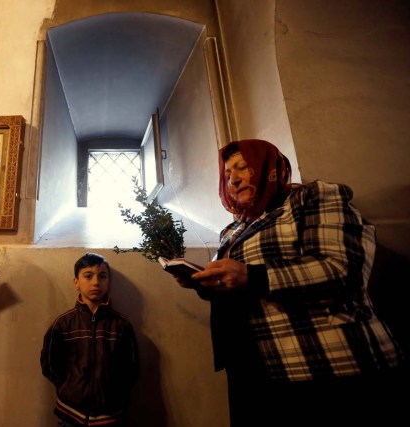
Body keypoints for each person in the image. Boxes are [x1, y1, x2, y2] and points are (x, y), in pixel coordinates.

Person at [174, 139, 406, 426]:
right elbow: (238, 287)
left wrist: (252, 276)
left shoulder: (311, 198)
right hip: (251, 371)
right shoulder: (232, 229)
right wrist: (203, 283)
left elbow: (342, 268)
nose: (232, 179)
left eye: (242, 167)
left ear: (266, 165)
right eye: (226, 174)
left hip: (322, 364)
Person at [41, 253, 139, 426]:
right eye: (88, 276)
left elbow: (130, 369)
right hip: (70, 414)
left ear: (109, 281)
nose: (96, 282)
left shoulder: (122, 326)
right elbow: (49, 365)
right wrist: (67, 388)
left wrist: (117, 393)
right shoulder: (63, 324)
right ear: (76, 283)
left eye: (102, 276)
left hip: (111, 416)